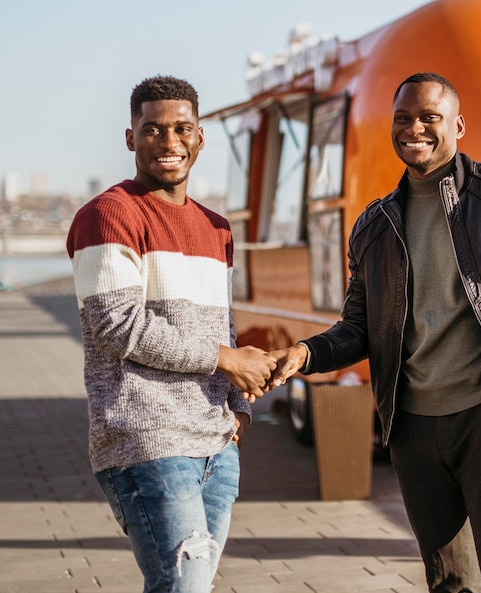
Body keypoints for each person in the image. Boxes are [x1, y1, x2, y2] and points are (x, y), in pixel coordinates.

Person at [268, 72, 481, 592]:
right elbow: (358, 327)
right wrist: (305, 355)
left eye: (429, 117)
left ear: (457, 125)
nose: (414, 128)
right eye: (403, 118)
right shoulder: (374, 225)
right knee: (449, 584)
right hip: (413, 427)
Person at [66, 75, 276, 593]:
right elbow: (118, 325)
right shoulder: (107, 216)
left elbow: (217, 324)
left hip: (215, 443)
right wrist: (227, 360)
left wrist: (240, 411)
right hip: (147, 439)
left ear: (200, 138)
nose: (169, 142)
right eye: (153, 129)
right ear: (130, 138)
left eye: (182, 129)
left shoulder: (216, 228)